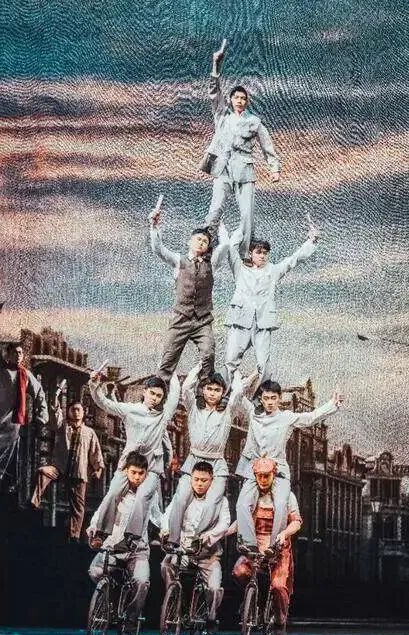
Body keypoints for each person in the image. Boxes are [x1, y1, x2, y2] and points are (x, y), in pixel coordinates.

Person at [235, 380, 344, 549]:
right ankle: (249, 544)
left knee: (280, 505)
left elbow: (311, 417)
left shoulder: (286, 417)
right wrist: (241, 379)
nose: (270, 402)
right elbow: (238, 395)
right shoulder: (253, 414)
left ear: (279, 398)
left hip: (278, 469)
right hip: (255, 468)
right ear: (261, 399)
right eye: (266, 398)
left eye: (273, 398)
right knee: (242, 504)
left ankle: (274, 545)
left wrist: (333, 404)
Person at [201, 39, 281, 258]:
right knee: (215, 209)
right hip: (223, 168)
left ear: (247, 102)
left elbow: (267, 145)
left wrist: (274, 168)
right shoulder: (222, 115)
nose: (239, 100)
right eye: (236, 97)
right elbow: (213, 92)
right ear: (230, 99)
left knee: (247, 216)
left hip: (245, 169)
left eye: (243, 98)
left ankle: (245, 255)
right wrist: (216, 64)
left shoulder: (254, 121)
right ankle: (205, 248)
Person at [87, 369, 180, 549]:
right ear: (144, 391)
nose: (155, 398)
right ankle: (100, 532)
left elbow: (174, 397)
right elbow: (104, 403)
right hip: (128, 465)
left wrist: (172, 372)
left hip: (151, 468)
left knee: (143, 497)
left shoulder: (163, 416)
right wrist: (94, 384)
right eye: (152, 393)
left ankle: (131, 538)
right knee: (114, 492)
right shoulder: (130, 410)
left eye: (159, 396)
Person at [164, 362, 254, 547]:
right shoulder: (194, 408)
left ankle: (196, 540)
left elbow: (238, 392)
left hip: (217, 462)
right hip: (194, 459)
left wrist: (235, 373)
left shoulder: (228, 410)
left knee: (212, 502)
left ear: (222, 392)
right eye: (209, 388)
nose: (212, 393)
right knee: (181, 497)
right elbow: (186, 388)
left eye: (217, 390)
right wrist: (199, 367)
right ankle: (173, 539)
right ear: (203, 390)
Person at [223, 218, 321, 384]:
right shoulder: (240, 269)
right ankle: (224, 393)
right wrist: (242, 228)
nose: (262, 255)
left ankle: (263, 395)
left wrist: (312, 240)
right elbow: (231, 248)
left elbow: (294, 259)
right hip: (240, 321)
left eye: (265, 253)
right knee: (230, 361)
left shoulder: (274, 270)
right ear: (251, 253)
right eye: (259, 252)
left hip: (262, 323)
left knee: (263, 363)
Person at [148, 200, 236, 381]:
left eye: (205, 241)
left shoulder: (211, 264)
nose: (201, 242)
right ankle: (159, 390)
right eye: (198, 239)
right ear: (190, 241)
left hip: (202, 321)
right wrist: (154, 226)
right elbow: (158, 249)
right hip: (180, 319)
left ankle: (204, 389)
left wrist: (219, 223)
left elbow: (226, 245)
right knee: (168, 360)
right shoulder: (178, 261)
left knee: (208, 354)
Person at [230, 457, 302, 635]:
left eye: (266, 476)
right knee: (239, 571)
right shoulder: (251, 495)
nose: (262, 480)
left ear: (274, 475)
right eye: (259, 476)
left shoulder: (287, 496)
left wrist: (284, 533)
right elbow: (242, 520)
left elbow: (296, 522)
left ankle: (279, 621)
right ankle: (251, 599)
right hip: (255, 546)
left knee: (278, 586)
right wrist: (224, 532)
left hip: (277, 547)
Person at [0, 305, 49, 479]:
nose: (19, 355)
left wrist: (42, 415)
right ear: (8, 354)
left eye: (21, 353)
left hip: (13, 418)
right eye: (15, 352)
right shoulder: (0, 367)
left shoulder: (25, 374)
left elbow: (39, 394)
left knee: (11, 441)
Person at [86, 452, 160, 622]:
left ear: (146, 474)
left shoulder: (150, 495)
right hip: (113, 545)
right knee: (95, 572)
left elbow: (156, 516)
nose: (137, 477)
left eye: (141, 473)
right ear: (126, 471)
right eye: (133, 472)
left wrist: (165, 530)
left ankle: (131, 618)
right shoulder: (117, 491)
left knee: (142, 582)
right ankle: (110, 597)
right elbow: (101, 511)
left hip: (137, 550)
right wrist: (93, 526)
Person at [158, 460, 230, 632]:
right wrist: (166, 529)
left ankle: (211, 616)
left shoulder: (220, 501)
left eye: (204, 480)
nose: (199, 484)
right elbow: (168, 515)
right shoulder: (182, 498)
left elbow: (225, 523)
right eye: (196, 479)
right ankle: (173, 599)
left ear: (211, 481)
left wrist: (209, 536)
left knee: (214, 588)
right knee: (166, 564)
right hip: (183, 550)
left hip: (207, 554)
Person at [31, 399, 103, 541]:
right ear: (68, 412)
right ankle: (34, 501)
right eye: (73, 410)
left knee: (78, 507)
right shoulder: (62, 426)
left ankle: (74, 535)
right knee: (43, 473)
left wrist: (98, 469)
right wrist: (56, 399)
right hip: (60, 467)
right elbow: (55, 415)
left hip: (78, 472)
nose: (76, 412)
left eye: (78, 410)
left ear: (83, 413)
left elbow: (95, 452)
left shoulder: (89, 432)